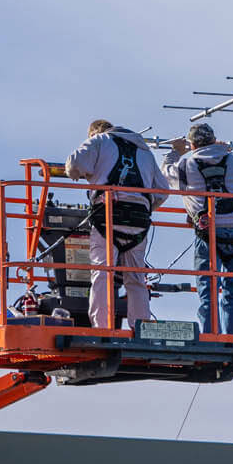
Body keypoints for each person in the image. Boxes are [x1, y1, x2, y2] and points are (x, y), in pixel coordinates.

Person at [65, 120, 166, 329]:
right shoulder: (144, 151)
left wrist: (83, 174)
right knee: (136, 276)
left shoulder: (99, 141)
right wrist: (145, 205)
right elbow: (163, 189)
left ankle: (101, 327)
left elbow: (73, 165)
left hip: (108, 214)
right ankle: (142, 328)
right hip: (139, 219)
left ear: (93, 133)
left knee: (102, 273)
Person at [163, 122, 233, 335]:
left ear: (193, 144)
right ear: (214, 139)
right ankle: (232, 336)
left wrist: (174, 153)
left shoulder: (187, 164)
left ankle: (210, 334)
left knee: (208, 289)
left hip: (208, 232)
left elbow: (166, 174)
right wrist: (227, 150)